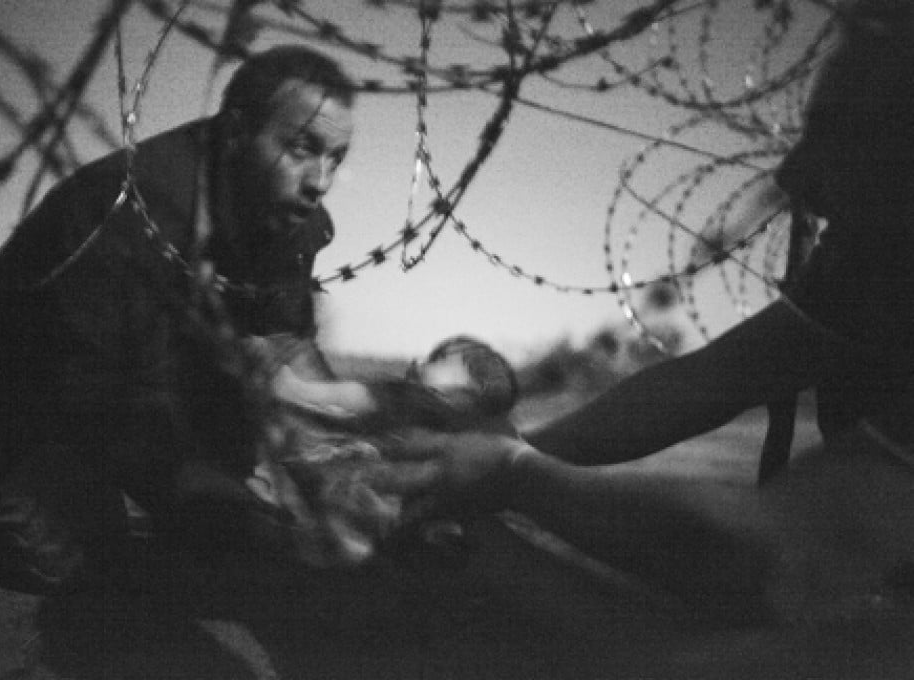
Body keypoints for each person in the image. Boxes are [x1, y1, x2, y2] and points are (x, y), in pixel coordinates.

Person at [378, 0, 914, 616]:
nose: (805, 193)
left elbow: (786, 553)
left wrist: (512, 476)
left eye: (843, 147)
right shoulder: (879, 255)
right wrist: (504, 454)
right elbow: (711, 380)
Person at [0, 45, 356, 593]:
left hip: (126, 422)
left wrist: (337, 467)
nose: (320, 180)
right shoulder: (125, 209)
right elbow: (81, 388)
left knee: (260, 538)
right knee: (104, 575)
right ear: (235, 131)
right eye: (302, 148)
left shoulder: (287, 220)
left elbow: (285, 351)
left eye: (336, 158)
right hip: (6, 437)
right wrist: (213, 488)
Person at [232, 333, 519, 568]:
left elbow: (351, 398)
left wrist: (294, 388)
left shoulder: (409, 395)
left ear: (468, 389)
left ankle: (296, 525)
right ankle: (422, 538)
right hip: (397, 506)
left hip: (351, 486)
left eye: (442, 359)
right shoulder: (466, 427)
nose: (427, 360)